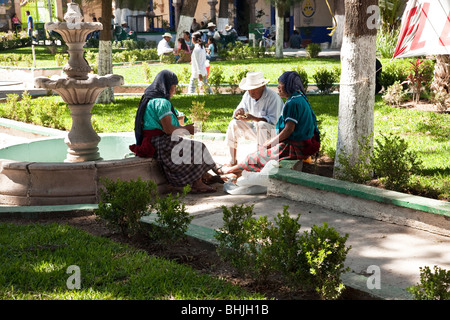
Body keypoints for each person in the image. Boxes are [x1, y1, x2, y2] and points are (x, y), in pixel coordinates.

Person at [129, 70, 219, 193]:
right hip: (160, 142)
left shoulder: (150, 99)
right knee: (198, 147)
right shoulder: (162, 102)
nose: (175, 89)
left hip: (155, 141)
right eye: (174, 86)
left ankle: (206, 175)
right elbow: (168, 129)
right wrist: (187, 129)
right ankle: (199, 182)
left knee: (190, 147)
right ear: (166, 85)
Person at [220, 71, 320, 175]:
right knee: (255, 153)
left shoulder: (291, 102)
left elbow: (288, 129)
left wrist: (272, 142)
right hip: (297, 142)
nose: (278, 89)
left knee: (256, 157)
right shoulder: (298, 98)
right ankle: (233, 165)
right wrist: (239, 111)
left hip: (293, 143)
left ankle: (229, 171)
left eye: (280, 86)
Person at [225, 72, 283, 166]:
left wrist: (253, 118)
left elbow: (273, 121)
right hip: (256, 129)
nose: (251, 92)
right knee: (233, 123)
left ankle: (262, 160)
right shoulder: (248, 95)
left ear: (263, 86)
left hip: (274, 133)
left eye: (254, 89)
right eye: (249, 89)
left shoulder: (273, 98)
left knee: (261, 125)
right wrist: (239, 111)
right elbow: (241, 107)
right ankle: (233, 160)